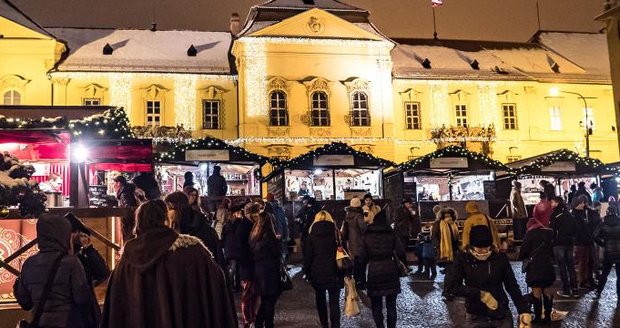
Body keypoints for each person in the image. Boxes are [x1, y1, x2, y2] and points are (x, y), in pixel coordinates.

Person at [100, 200, 237, 328]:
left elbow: (116, 306)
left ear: (139, 222)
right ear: (166, 220)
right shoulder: (191, 250)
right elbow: (216, 283)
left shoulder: (127, 260)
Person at [14, 215, 94, 328]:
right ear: (64, 234)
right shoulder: (71, 263)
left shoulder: (29, 263)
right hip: (66, 323)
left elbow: (25, 302)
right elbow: (82, 298)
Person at [447, 225, 532, 328]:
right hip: (476, 316)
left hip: (501, 314)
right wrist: (481, 294)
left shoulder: (500, 258)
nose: (483, 251)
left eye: (486, 248)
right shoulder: (463, 259)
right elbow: (452, 287)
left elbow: (512, 286)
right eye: (479, 248)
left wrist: (523, 311)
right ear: (471, 246)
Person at [361, 209, 405, 328]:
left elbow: (362, 257)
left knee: (376, 305)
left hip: (374, 271)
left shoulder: (367, 235)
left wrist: (360, 278)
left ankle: (380, 326)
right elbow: (401, 251)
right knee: (391, 305)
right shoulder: (391, 233)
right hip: (390, 269)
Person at [164, 191, 225, 269]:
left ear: (178, 209)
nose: (166, 213)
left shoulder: (203, 232)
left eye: (168, 209)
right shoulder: (175, 230)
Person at [304, 210, 344, 328]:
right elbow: (343, 251)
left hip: (318, 272)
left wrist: (307, 272)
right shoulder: (336, 233)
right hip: (335, 270)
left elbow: (308, 256)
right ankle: (335, 325)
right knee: (334, 302)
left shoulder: (311, 235)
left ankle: (324, 324)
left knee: (320, 300)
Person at [520, 214, 558, 324]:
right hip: (548, 267)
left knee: (536, 292)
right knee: (547, 292)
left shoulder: (530, 234)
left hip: (535, 268)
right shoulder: (550, 233)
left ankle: (537, 318)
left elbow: (522, 253)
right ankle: (547, 317)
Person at [250, 211, 282, 328]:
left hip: (259, 271)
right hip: (270, 271)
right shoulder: (270, 236)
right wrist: (277, 241)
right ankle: (268, 324)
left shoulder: (254, 235)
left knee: (265, 299)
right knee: (270, 301)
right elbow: (277, 253)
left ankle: (259, 323)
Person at [549, 197, 578, 298]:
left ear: (557, 203)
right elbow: (575, 228)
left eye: (552, 202)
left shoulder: (554, 215)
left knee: (562, 267)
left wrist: (552, 240)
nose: (551, 204)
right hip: (569, 243)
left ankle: (566, 290)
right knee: (571, 267)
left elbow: (552, 230)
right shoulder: (569, 214)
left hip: (559, 243)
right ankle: (575, 289)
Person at [571, 195, 601, 289]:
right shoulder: (576, 215)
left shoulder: (583, 213)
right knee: (583, 262)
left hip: (586, 240)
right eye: (581, 203)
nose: (583, 205)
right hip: (582, 241)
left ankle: (588, 280)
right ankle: (583, 281)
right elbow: (579, 229)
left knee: (589, 261)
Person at [238, 203, 261, 328]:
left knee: (254, 292)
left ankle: (253, 316)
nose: (258, 216)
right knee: (248, 294)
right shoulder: (244, 227)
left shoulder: (252, 224)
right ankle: (247, 319)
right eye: (256, 213)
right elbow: (241, 248)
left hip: (254, 264)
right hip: (248, 265)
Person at [593, 204, 620, 299]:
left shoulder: (603, 224)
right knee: (619, 275)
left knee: (604, 273)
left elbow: (594, 236)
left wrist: (603, 244)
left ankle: (598, 292)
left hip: (608, 252)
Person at [432, 207, 459, 300]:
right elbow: (434, 237)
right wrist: (439, 248)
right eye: (446, 215)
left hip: (454, 252)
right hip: (445, 252)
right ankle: (447, 291)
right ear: (442, 216)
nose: (448, 217)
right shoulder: (438, 224)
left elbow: (456, 240)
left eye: (449, 215)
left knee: (453, 272)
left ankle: (451, 290)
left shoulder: (453, 225)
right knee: (450, 272)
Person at [343, 197, 367, 288]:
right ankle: (362, 282)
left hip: (351, 241)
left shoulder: (348, 214)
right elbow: (363, 228)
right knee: (361, 263)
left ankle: (356, 281)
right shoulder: (359, 215)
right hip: (360, 241)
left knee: (355, 262)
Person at [223, 205, 244, 291]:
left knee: (238, 268)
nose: (239, 214)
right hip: (232, 248)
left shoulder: (237, 222)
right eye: (238, 213)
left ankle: (237, 286)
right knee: (233, 267)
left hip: (235, 248)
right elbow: (231, 232)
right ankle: (230, 285)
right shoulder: (230, 223)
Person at [266, 193, 289, 261]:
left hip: (270, 234)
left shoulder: (266, 210)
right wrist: (286, 235)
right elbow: (284, 223)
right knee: (281, 250)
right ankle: (282, 266)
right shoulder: (280, 209)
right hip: (280, 232)